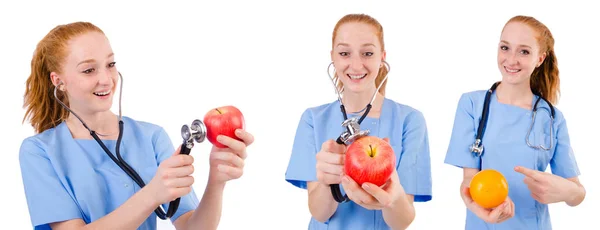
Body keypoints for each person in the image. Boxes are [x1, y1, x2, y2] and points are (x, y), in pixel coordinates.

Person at [19, 21, 254, 230]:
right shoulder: (40, 151)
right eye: (89, 70)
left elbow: (193, 227)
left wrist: (217, 180)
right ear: (58, 81)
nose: (106, 79)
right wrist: (152, 194)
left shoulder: (151, 137)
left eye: (110, 64)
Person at [284, 13, 433, 230]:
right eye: (345, 53)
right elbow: (319, 212)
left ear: (382, 57)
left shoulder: (410, 120)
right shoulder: (313, 119)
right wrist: (328, 182)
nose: (356, 65)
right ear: (333, 57)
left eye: (367, 53)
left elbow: (402, 221)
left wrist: (392, 195)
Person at [444, 15, 586, 230]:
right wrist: (477, 207)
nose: (511, 59)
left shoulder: (552, 118)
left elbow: (577, 193)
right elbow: (468, 181)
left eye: (524, 51)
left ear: (540, 59)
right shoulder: (472, 104)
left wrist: (566, 191)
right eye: (505, 48)